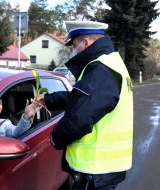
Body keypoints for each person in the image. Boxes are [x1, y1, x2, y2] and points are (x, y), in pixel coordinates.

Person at [36, 21, 133, 190]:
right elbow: (82, 97)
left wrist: (54, 138)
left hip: (95, 171)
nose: (74, 50)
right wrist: (49, 99)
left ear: (86, 43)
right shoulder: (111, 63)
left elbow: (77, 120)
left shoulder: (101, 70)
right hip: (104, 167)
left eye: (75, 45)